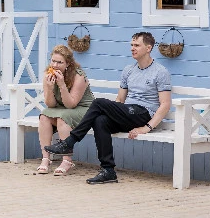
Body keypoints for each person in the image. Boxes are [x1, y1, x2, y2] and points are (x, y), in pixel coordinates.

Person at [44, 32, 172, 184]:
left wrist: (147, 128)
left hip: (143, 114)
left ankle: (70, 141)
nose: (132, 48)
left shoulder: (160, 72)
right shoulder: (129, 70)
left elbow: (165, 104)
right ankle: (108, 170)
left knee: (99, 103)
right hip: (128, 113)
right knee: (100, 120)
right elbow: (120, 100)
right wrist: (113, 112)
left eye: (137, 45)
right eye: (131, 45)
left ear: (148, 48)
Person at [36, 44, 94, 175]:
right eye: (53, 61)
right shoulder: (47, 74)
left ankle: (67, 160)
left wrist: (62, 85)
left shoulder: (78, 76)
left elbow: (71, 104)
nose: (55, 65)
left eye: (59, 62)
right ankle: (46, 158)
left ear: (68, 63)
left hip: (84, 109)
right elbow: (50, 104)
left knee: (63, 118)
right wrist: (49, 88)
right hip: (62, 109)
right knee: (44, 116)